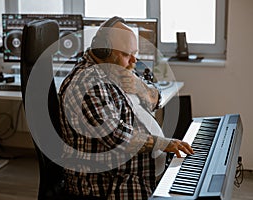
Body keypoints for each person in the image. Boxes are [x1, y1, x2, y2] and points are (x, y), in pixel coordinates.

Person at [58, 16, 194, 200]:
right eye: (125, 54)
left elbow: (156, 99)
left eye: (134, 53)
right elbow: (118, 138)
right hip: (111, 186)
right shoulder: (88, 83)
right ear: (103, 51)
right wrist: (165, 144)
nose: (133, 61)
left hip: (136, 175)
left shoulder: (115, 67)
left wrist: (140, 88)